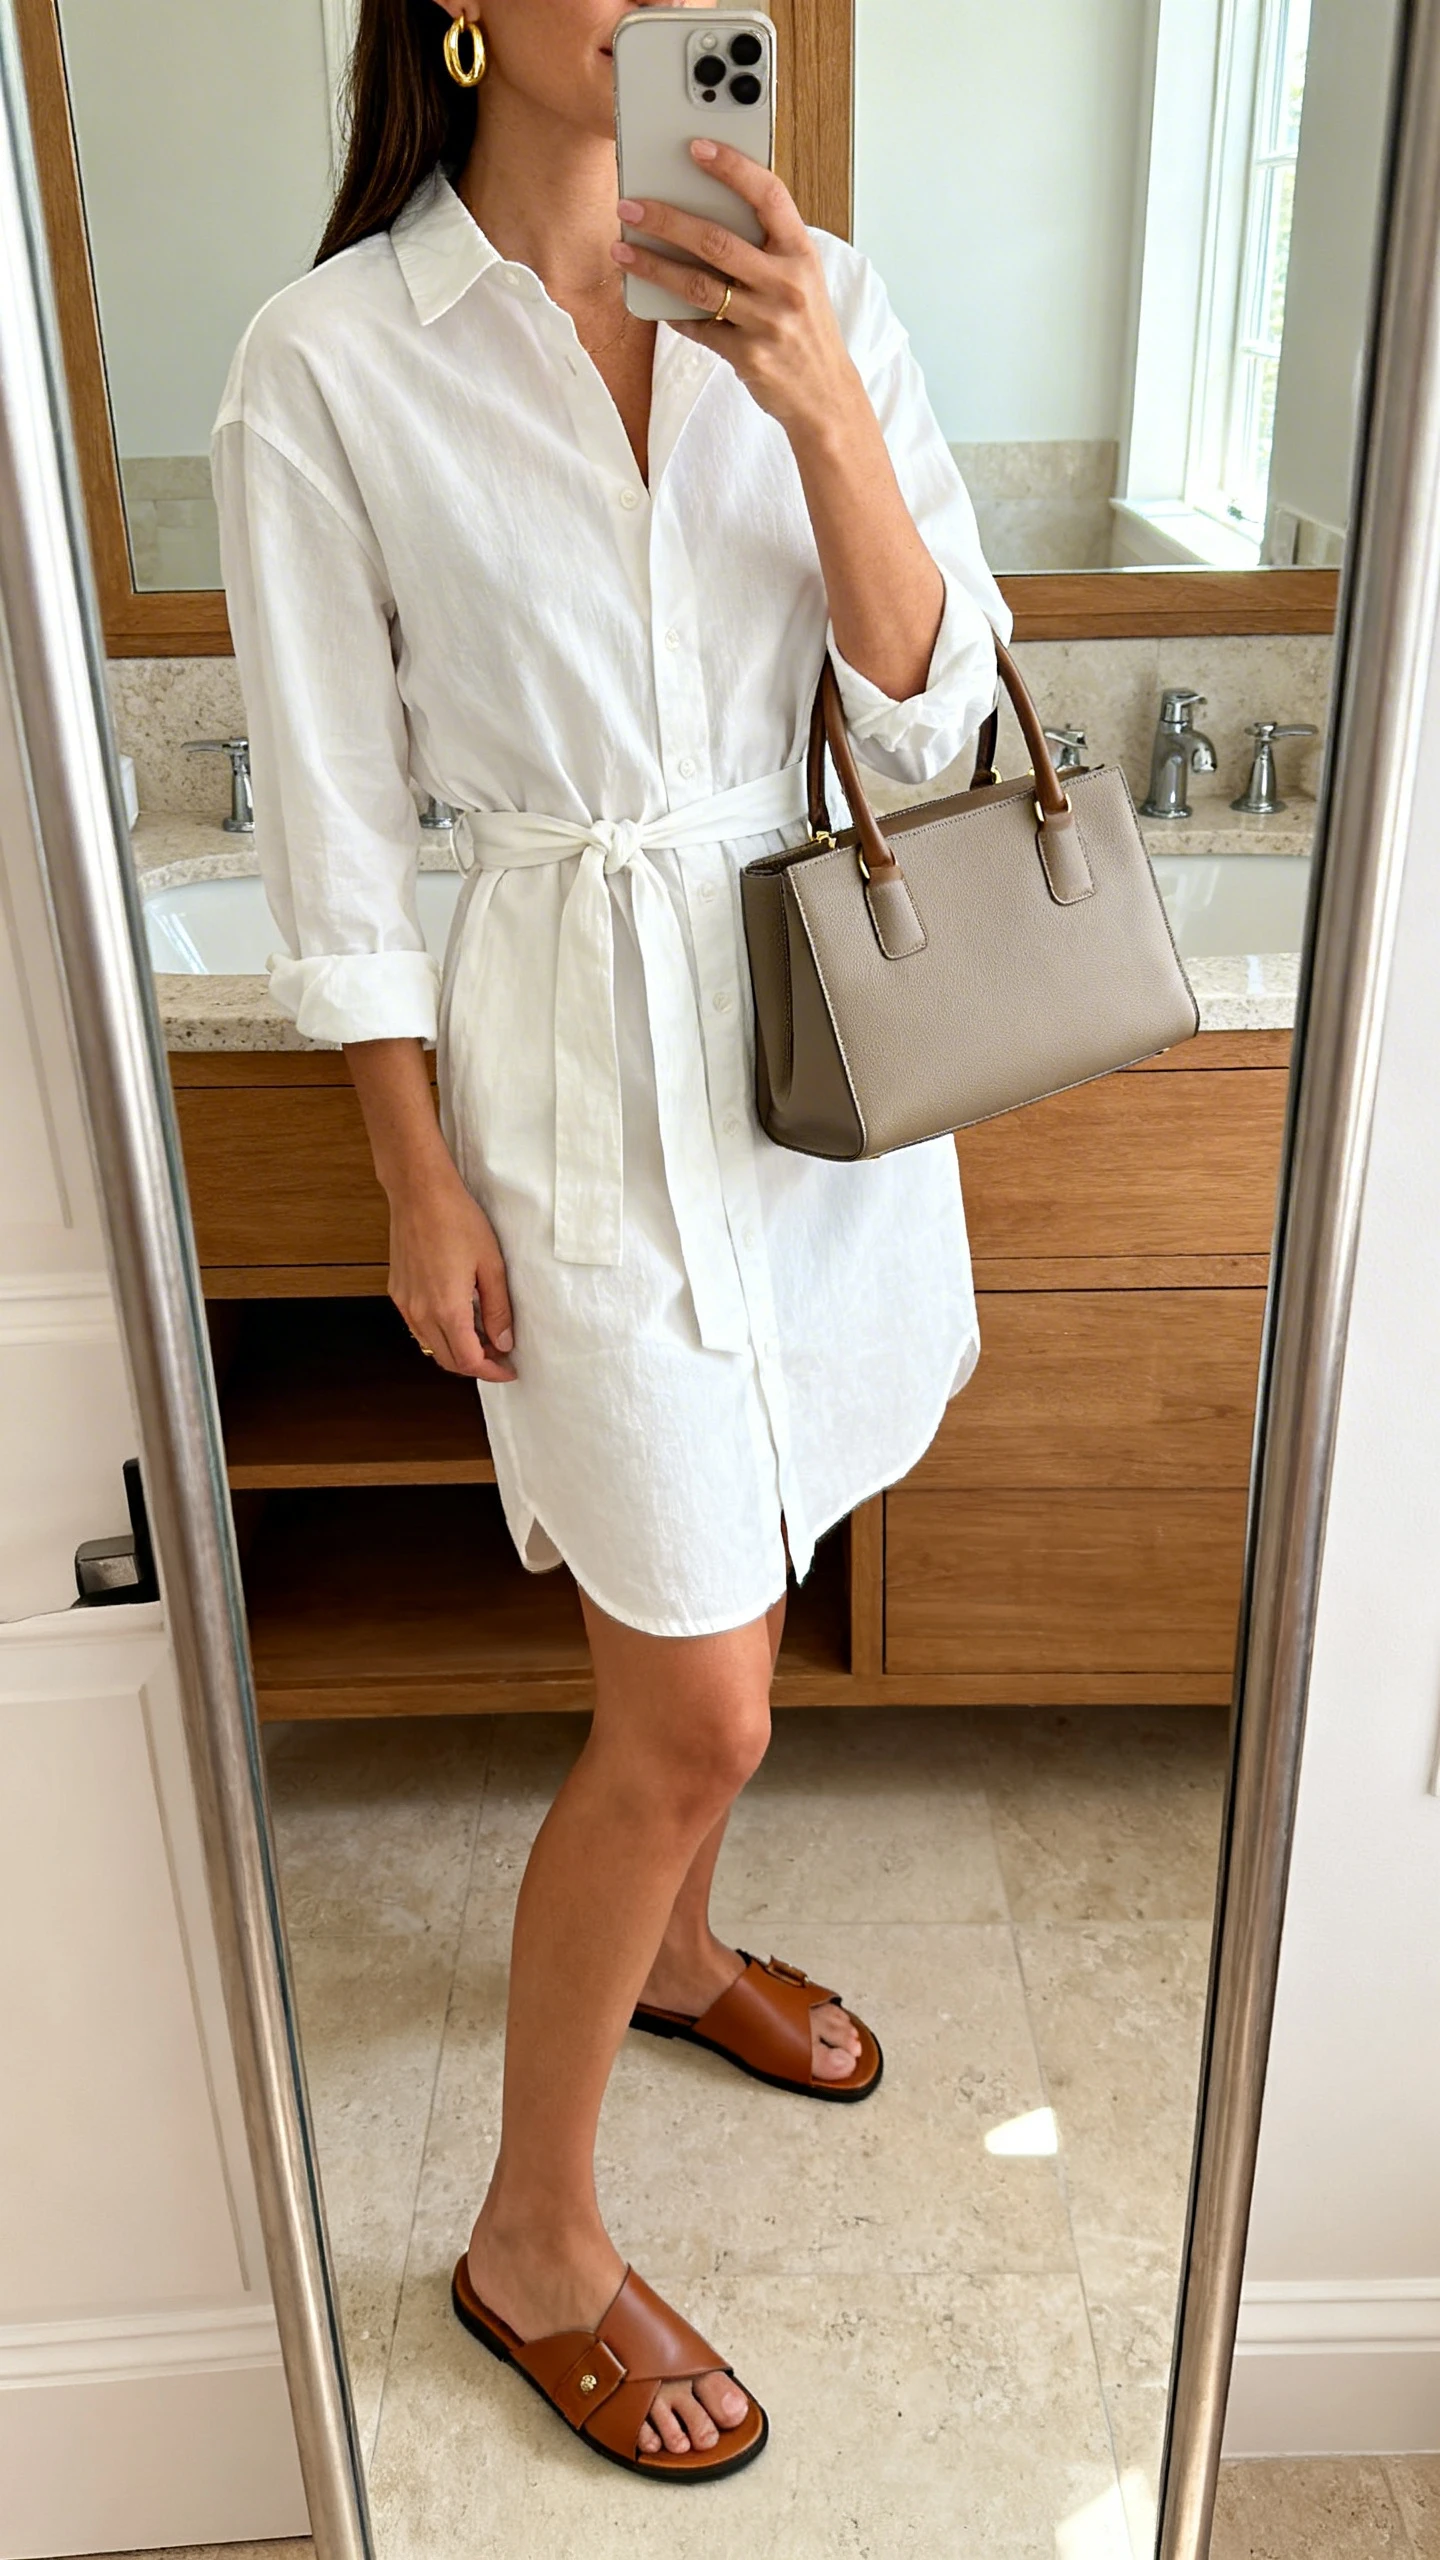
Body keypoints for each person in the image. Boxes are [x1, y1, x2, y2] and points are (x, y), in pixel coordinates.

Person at [213, 0, 1008, 2483]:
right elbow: (333, 823)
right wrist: (408, 1164)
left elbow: (937, 707)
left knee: (773, 1528)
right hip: (562, 1074)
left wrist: (820, 404)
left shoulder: (816, 290)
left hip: (805, 1053)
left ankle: (673, 1954)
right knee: (700, 1701)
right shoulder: (329, 360)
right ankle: (529, 2238)